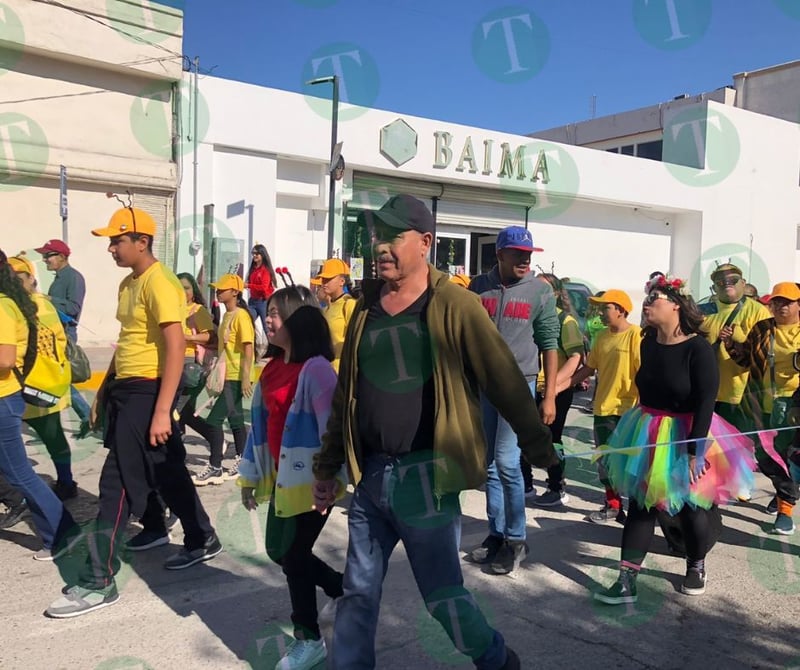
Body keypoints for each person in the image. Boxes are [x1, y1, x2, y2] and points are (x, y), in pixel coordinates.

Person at [312, 194, 557, 670]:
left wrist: (539, 447)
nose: (381, 246)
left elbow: (504, 379)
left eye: (393, 236)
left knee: (443, 598)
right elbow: (347, 394)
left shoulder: (456, 306)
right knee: (358, 594)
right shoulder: (365, 307)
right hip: (371, 479)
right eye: (377, 236)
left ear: (425, 243)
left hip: (426, 480)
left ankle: (495, 658)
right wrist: (327, 466)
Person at [45, 207, 221, 619]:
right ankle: (198, 536)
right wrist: (105, 392)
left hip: (148, 393)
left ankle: (98, 580)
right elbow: (129, 342)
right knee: (167, 469)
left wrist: (163, 411)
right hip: (128, 390)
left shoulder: (160, 282)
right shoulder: (130, 282)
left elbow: (175, 347)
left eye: (118, 240)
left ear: (143, 241)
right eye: (110, 240)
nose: (111, 247)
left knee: (117, 482)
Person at [595, 275, 755, 603]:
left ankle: (696, 564)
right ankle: (627, 578)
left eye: (655, 299)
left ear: (676, 306)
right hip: (647, 427)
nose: (647, 304)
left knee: (691, 507)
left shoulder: (698, 348)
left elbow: (706, 401)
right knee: (641, 505)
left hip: (689, 432)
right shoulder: (647, 342)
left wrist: (695, 450)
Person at [239, 303, 345, 670]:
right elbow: (258, 429)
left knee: (295, 557)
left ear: (300, 325)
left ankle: (309, 638)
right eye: (267, 315)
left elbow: (333, 428)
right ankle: (340, 588)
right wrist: (250, 477)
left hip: (312, 481)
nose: (268, 321)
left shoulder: (316, 370)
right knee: (278, 550)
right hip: (283, 480)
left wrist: (329, 479)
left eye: (277, 316)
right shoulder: (272, 368)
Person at [467, 226, 559, 575]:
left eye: (529, 254)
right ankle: (497, 533)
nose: (524, 259)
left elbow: (549, 343)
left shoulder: (540, 292)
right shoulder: (478, 286)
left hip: (519, 385)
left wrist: (549, 395)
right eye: (517, 253)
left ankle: (517, 538)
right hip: (482, 384)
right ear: (500, 254)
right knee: (489, 462)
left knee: (506, 462)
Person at [0, 248, 76, 561]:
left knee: (20, 475)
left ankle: (62, 534)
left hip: (4, 397)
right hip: (9, 396)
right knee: (17, 473)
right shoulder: (13, 303)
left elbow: (5, 358)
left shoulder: (3, 307)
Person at [722, 281, 800, 535]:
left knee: (787, 456)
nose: (780, 307)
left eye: (786, 302)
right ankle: (785, 492)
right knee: (765, 456)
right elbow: (745, 360)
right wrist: (731, 343)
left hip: (793, 405)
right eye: (776, 302)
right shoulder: (762, 328)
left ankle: (785, 507)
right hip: (758, 403)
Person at [9, 253, 78, 500]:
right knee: (51, 438)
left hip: (30, 384)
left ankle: (63, 482)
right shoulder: (41, 304)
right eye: (10, 278)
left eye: (20, 277)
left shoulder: (15, 307)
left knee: (52, 437)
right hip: (44, 383)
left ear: (30, 278)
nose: (15, 282)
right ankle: (65, 483)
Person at [571, 289, 642, 523]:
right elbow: (589, 368)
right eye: (600, 308)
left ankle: (640, 511)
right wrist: (561, 386)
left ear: (621, 310)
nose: (601, 313)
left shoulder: (636, 336)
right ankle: (612, 505)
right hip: (603, 409)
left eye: (606, 308)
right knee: (605, 460)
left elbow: (643, 374)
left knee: (632, 461)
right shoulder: (601, 337)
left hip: (630, 411)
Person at [190, 273, 254, 485]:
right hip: (226, 374)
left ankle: (216, 465)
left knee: (214, 420)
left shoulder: (241, 316)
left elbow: (248, 348)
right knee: (235, 419)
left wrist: (246, 378)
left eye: (222, 288)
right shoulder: (227, 315)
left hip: (235, 377)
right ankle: (242, 461)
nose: (218, 291)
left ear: (235, 292)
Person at [527, 273, 585, 508]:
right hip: (530, 386)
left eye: (544, 289)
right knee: (525, 436)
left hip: (556, 389)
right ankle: (526, 484)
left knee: (553, 439)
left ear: (556, 294)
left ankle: (556, 486)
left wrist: (554, 386)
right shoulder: (531, 317)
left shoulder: (565, 321)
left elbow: (575, 357)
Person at [701, 263, 771, 431]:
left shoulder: (758, 312)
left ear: (743, 283)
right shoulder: (702, 310)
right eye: (720, 281)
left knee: (737, 447)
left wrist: (735, 341)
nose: (727, 283)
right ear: (714, 287)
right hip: (705, 392)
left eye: (733, 279)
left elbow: (763, 356)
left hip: (740, 395)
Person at [35, 239, 92, 439]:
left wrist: (50, 300)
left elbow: (73, 308)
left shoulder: (74, 278)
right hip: (53, 333)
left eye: (48, 255)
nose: (45, 260)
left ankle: (88, 416)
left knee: (61, 379)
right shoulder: (59, 278)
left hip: (65, 334)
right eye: (44, 256)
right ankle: (86, 417)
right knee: (58, 378)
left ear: (62, 256)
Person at [316, 258, 356, 373]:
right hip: (326, 369)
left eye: (329, 279)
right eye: (323, 279)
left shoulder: (349, 304)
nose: (324, 283)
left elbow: (355, 341)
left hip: (342, 371)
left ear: (342, 281)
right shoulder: (327, 308)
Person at [247, 244, 277, 335]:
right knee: (247, 321)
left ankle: (273, 347)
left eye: (257, 253)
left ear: (262, 255)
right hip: (253, 301)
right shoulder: (253, 269)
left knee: (267, 327)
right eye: (253, 253)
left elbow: (264, 288)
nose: (255, 256)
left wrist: (249, 285)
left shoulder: (265, 271)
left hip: (263, 302)